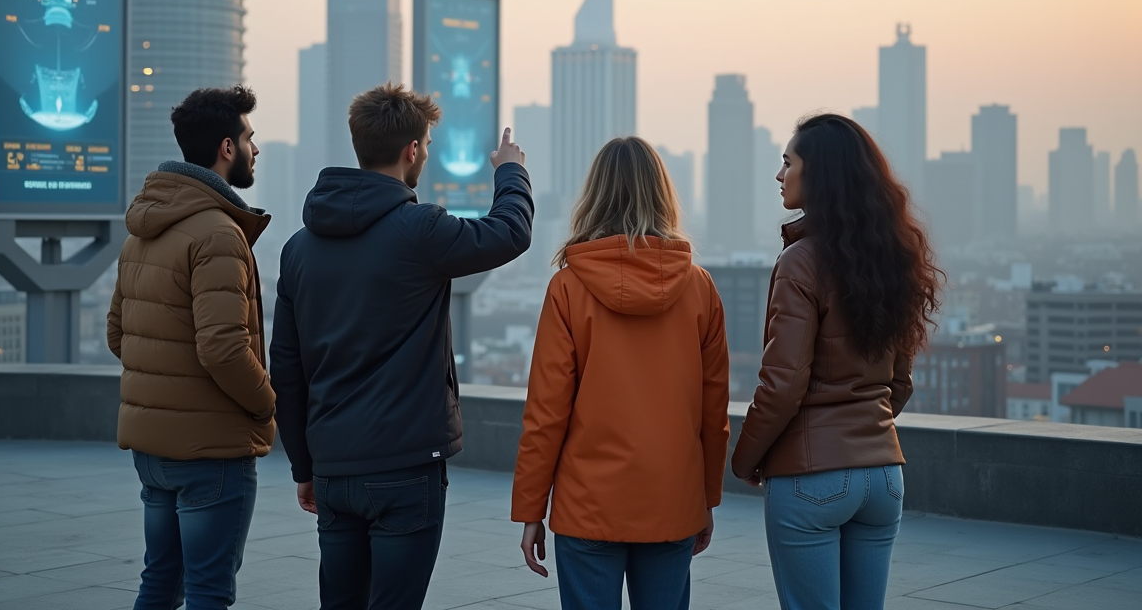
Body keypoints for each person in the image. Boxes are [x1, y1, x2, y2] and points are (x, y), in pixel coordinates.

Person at [270, 83, 533, 610]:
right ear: (413, 149)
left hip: (334, 468)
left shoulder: (298, 248)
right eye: (428, 145)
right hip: (405, 468)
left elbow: (286, 368)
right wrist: (510, 171)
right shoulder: (419, 230)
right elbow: (510, 232)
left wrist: (303, 466)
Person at [731, 113, 943, 610]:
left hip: (811, 477)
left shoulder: (800, 261)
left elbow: (783, 384)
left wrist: (746, 459)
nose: (780, 175)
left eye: (788, 163)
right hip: (884, 477)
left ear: (819, 173)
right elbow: (900, 382)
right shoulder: (893, 256)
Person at [512, 136, 731, 610]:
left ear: (595, 196)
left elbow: (546, 412)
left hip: (587, 503)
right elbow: (713, 412)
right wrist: (706, 498)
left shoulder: (568, 288)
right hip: (673, 500)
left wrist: (531, 508)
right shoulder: (699, 288)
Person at [107, 85, 275, 610]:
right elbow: (224, 349)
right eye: (250, 137)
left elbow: (119, 333)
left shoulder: (144, 231)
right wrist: (267, 401)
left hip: (153, 451)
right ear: (227, 148)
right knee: (208, 589)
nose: (256, 147)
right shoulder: (218, 233)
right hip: (211, 451)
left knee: (159, 581)